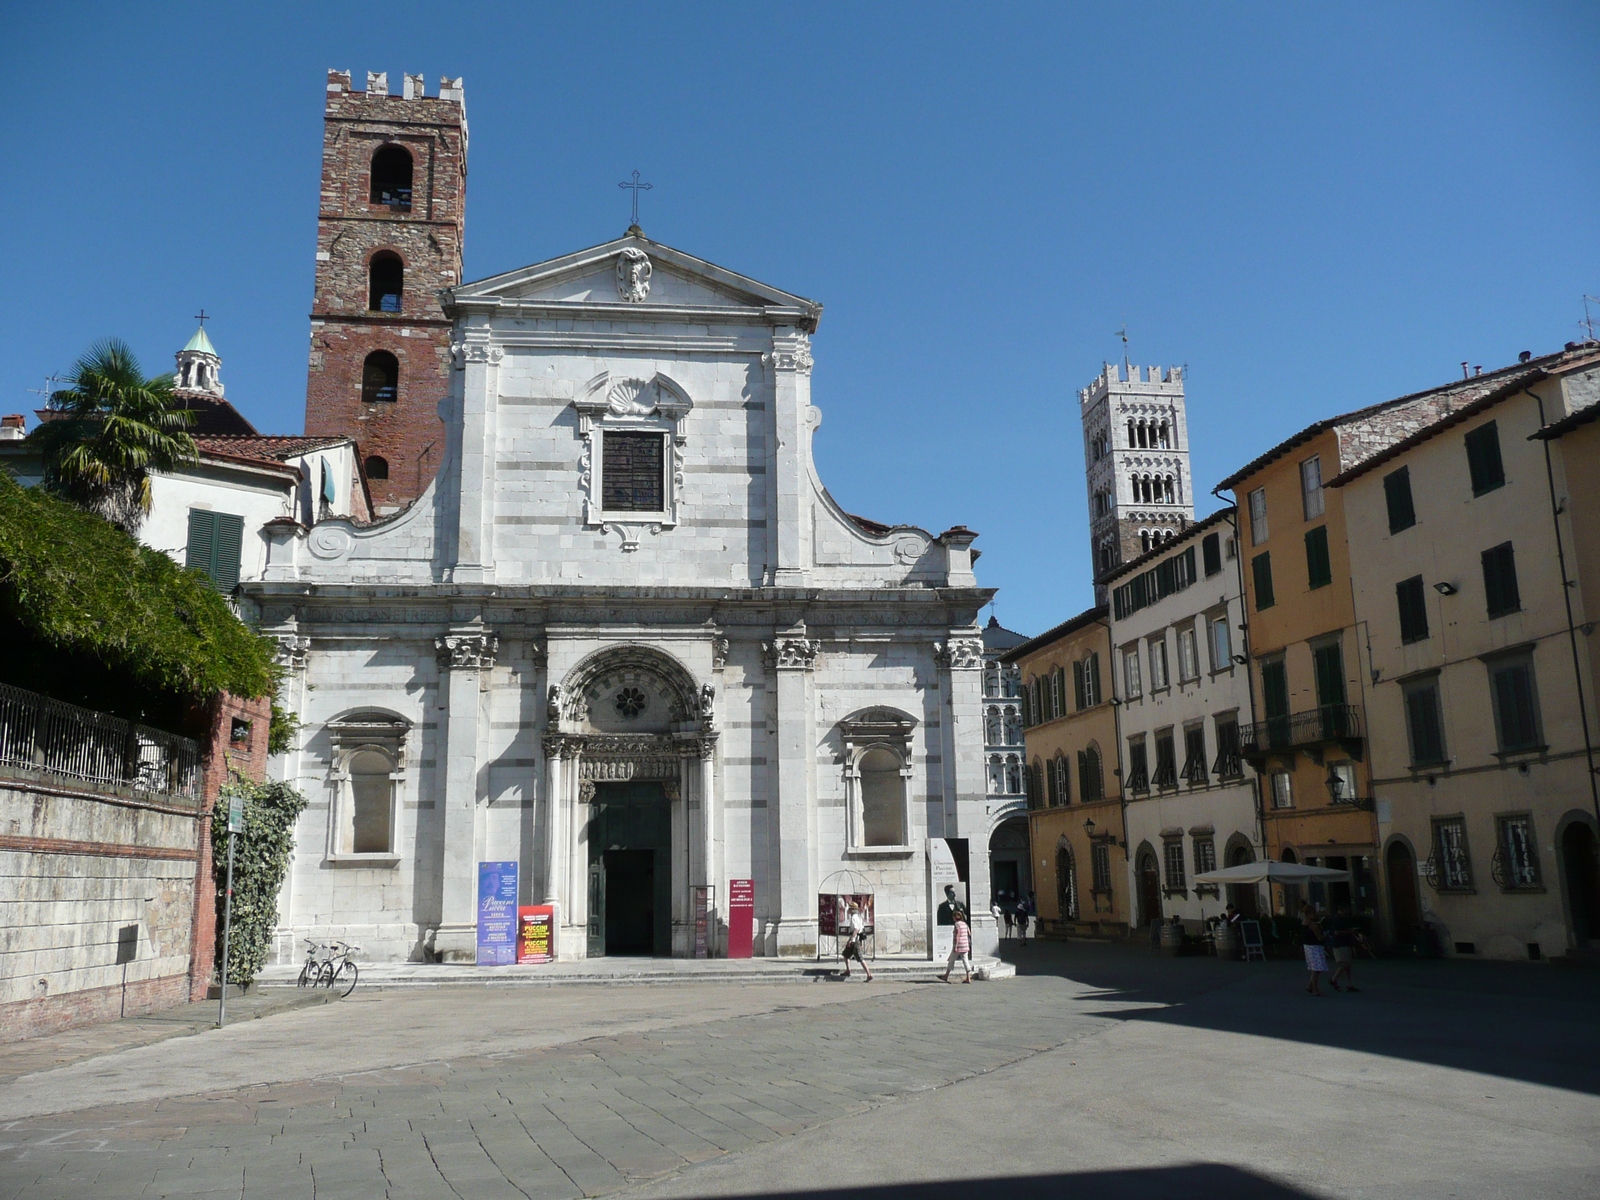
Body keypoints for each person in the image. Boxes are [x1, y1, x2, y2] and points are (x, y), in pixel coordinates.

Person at [1325, 904, 1360, 992]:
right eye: (1346, 910)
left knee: (1347, 965)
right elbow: (1337, 932)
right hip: (1339, 944)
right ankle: (1333, 979)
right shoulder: (1337, 919)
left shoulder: (1343, 919)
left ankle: (1349, 984)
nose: (1348, 912)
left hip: (1345, 943)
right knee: (1346, 964)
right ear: (1342, 910)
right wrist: (1350, 931)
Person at [839, 900, 873, 982]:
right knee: (845, 955)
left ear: (852, 910)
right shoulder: (859, 917)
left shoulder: (854, 918)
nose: (848, 910)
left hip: (854, 941)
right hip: (856, 940)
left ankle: (869, 974)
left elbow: (856, 929)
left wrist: (850, 940)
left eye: (849, 909)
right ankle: (848, 970)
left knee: (860, 958)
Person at [1300, 903, 1328, 996]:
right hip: (1315, 947)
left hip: (1307, 946)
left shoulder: (1304, 922)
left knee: (1315, 967)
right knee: (1316, 969)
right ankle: (1314, 989)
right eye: (1314, 912)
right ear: (1310, 913)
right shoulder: (1313, 924)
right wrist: (1326, 935)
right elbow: (1319, 937)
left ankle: (1310, 985)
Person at [938, 908, 973, 983]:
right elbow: (969, 933)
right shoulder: (965, 924)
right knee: (965, 961)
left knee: (951, 960)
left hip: (958, 946)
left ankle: (946, 976)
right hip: (965, 946)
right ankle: (968, 978)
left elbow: (957, 935)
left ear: (955, 917)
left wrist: (956, 946)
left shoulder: (957, 924)